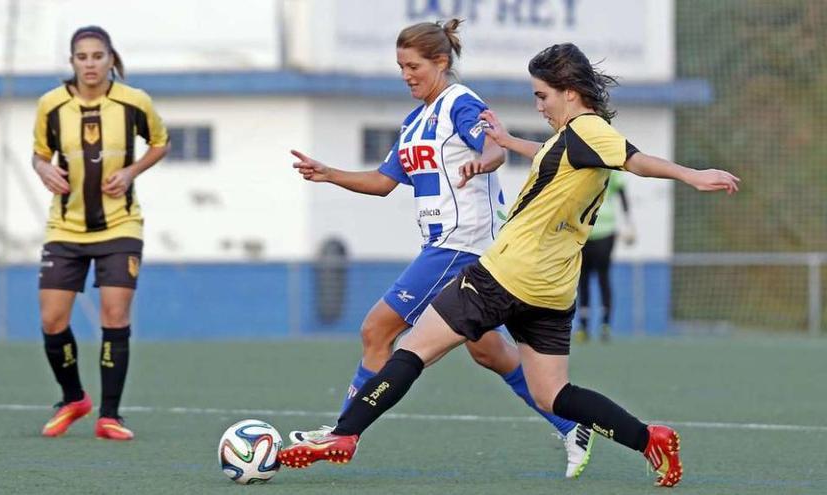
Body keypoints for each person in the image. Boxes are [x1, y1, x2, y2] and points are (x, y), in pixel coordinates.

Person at [278, 42, 739, 488]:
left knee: (412, 349)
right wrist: (507, 140)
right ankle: (650, 440)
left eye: (542, 95)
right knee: (552, 394)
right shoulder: (574, 140)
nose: (538, 105)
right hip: (553, 288)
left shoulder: (590, 131)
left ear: (569, 92)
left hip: (506, 273)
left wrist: (691, 174)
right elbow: (552, 159)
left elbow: (635, 160)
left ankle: (345, 434)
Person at [288, 21, 594, 477]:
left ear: (441, 62)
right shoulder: (414, 122)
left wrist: (484, 161)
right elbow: (383, 182)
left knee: (377, 329)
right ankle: (571, 425)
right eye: (400, 67)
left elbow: (493, 146)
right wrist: (330, 173)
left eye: (413, 66)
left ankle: (342, 432)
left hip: (461, 244)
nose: (406, 74)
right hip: (458, 247)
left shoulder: (459, 102)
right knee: (488, 352)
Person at [32, 26, 169, 440]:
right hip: (65, 227)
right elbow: (39, 154)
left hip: (120, 226)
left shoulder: (134, 102)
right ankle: (73, 397)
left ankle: (110, 415)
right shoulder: (51, 105)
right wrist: (43, 170)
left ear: (111, 59)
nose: (90, 64)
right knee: (53, 320)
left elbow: (159, 143)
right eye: (82, 57)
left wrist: (131, 171)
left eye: (97, 56)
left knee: (114, 314)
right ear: (72, 62)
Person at [576, 170, 635, 342]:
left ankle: (605, 325)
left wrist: (629, 224)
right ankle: (584, 326)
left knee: (603, 277)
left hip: (606, 232)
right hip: (583, 232)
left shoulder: (612, 169)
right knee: (583, 279)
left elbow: (623, 195)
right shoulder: (582, 167)